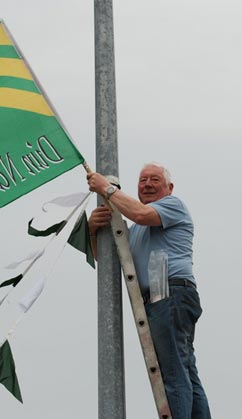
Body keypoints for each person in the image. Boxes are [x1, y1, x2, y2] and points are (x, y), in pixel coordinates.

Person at [87, 162, 211, 419]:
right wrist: (92, 231)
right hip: (162, 297)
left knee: (175, 373)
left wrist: (106, 189)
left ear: (169, 187)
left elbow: (141, 213)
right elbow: (108, 262)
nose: (148, 184)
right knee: (184, 368)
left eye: (155, 180)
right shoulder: (136, 232)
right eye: (143, 180)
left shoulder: (172, 206)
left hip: (170, 293)